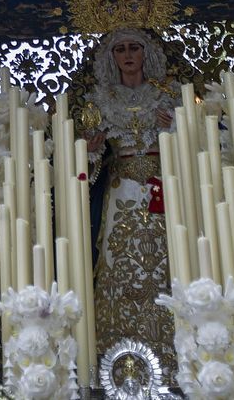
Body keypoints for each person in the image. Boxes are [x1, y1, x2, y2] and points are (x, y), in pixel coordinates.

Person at [79, 27, 178, 370]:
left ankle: (171, 352)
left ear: (146, 53)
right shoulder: (100, 101)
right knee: (117, 262)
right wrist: (88, 151)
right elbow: (89, 162)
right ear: (112, 57)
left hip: (162, 185)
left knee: (168, 258)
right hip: (121, 190)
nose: (127, 54)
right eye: (120, 49)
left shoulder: (168, 96)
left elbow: (199, 144)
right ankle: (119, 355)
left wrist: (177, 127)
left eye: (134, 47)